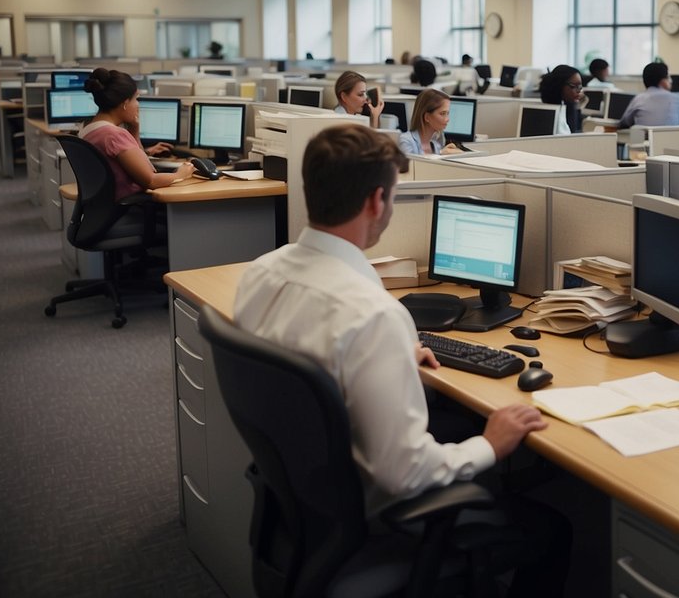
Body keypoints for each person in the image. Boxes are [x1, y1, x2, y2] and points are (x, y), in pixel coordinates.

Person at [233, 125, 570, 596]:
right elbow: (405, 474)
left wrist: (386, 361)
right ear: (376, 201)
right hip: (369, 513)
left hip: (300, 504)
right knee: (551, 528)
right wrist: (490, 445)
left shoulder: (261, 272)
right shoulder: (372, 314)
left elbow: (301, 365)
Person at [79, 68, 194, 201]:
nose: (138, 105)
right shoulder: (114, 135)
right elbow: (151, 179)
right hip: (130, 209)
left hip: (104, 209)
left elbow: (139, 163)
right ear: (125, 104)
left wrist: (134, 130)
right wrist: (180, 174)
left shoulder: (87, 129)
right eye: (136, 99)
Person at [617, 61, 679, 128]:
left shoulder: (639, 99)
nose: (671, 81)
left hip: (643, 141)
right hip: (671, 141)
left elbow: (624, 123)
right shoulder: (676, 98)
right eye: (668, 77)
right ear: (662, 81)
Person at [398, 88, 461, 156]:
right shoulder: (406, 141)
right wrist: (440, 154)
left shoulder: (436, 145)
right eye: (442, 113)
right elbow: (412, 165)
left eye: (447, 113)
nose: (447, 119)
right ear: (427, 117)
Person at [538, 64, 584, 133]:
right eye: (574, 86)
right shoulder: (547, 115)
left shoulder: (569, 106)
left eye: (580, 86)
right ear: (559, 85)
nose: (579, 91)